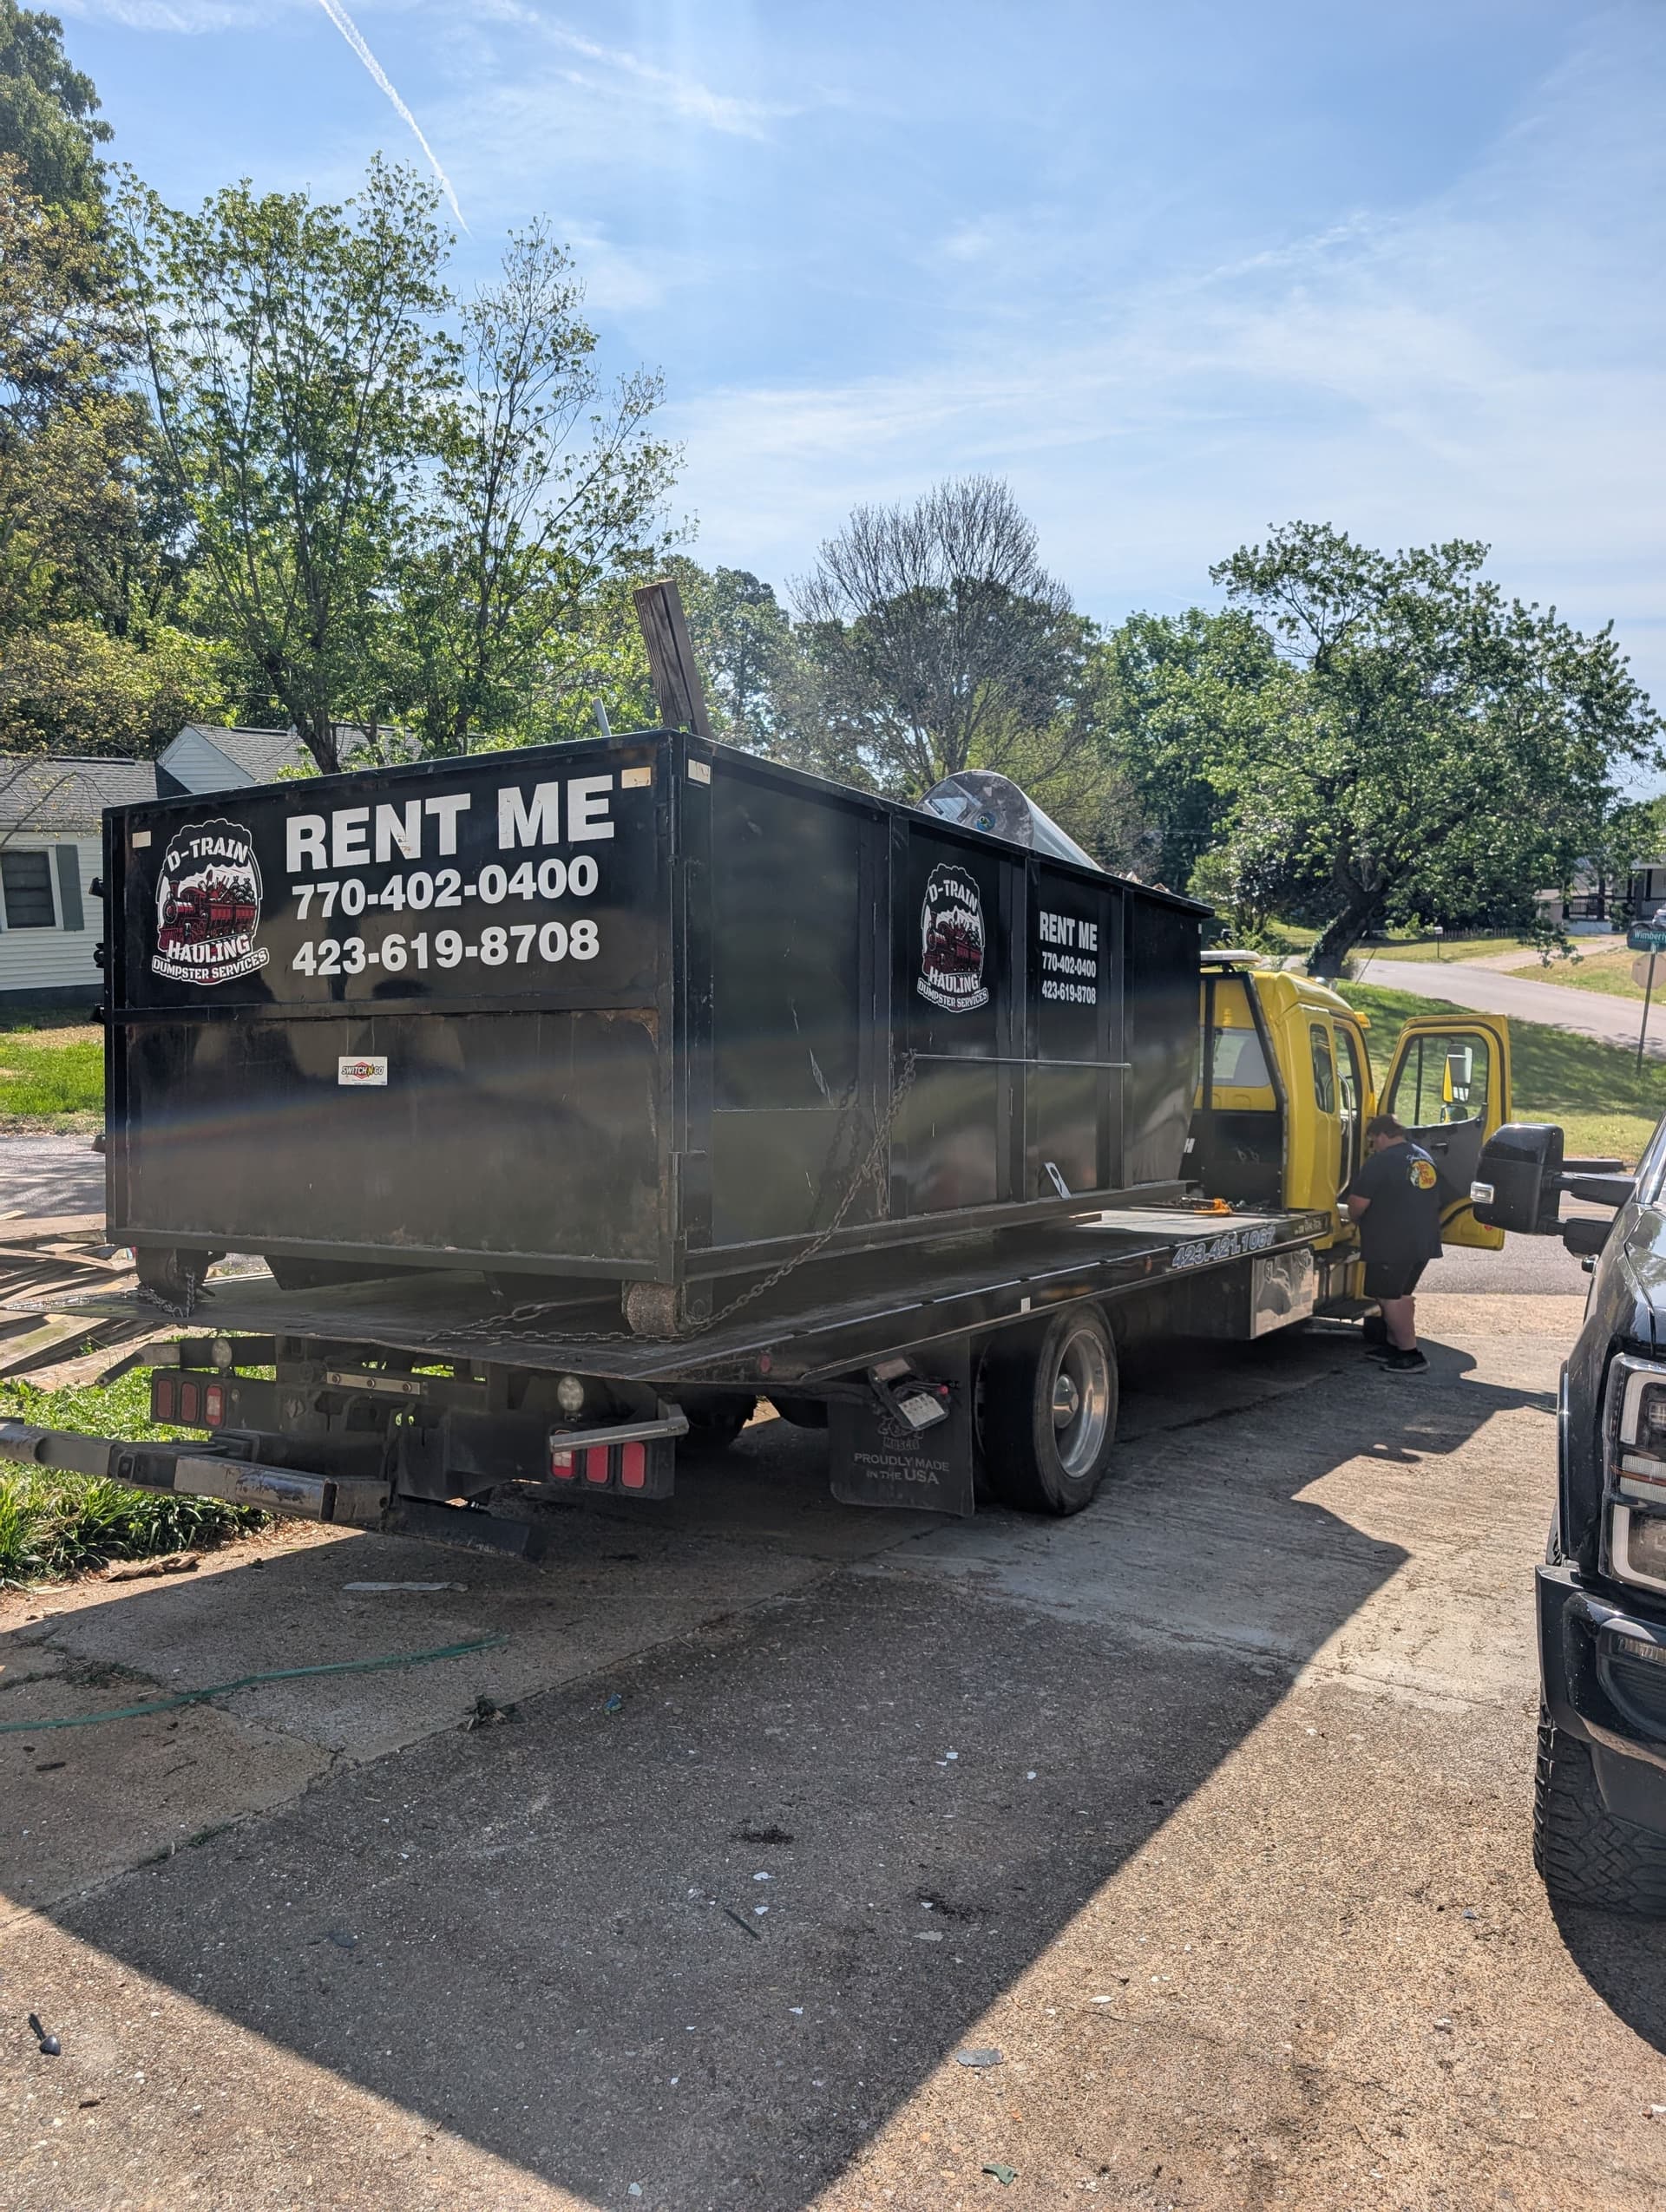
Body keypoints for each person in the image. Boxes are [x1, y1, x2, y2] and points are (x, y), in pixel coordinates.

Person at [1345, 1111, 1443, 1375]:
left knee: (1390, 1298)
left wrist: (1353, 1219)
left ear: (1383, 1135)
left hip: (1392, 1241)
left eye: (1373, 1140)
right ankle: (1393, 1346)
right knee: (1401, 1294)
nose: (1373, 1146)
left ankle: (1410, 1353)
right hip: (1423, 1240)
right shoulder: (1423, 1157)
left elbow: (1357, 1205)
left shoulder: (1382, 1162)